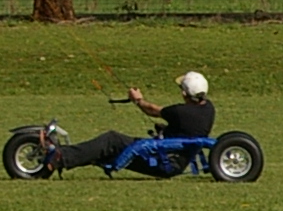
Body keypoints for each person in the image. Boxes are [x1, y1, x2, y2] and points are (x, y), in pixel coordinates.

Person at [48, 70, 214, 174]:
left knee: (111, 140)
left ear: (185, 93)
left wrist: (137, 100)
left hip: (163, 162)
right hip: (174, 161)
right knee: (109, 148)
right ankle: (64, 156)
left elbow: (151, 110)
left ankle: (61, 157)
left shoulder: (179, 111)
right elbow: (188, 130)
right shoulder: (209, 109)